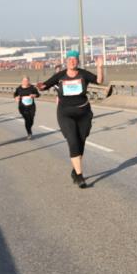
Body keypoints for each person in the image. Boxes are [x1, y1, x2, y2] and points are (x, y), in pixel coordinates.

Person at [38, 50, 104, 186]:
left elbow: (99, 81)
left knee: (81, 141)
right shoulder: (60, 76)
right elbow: (45, 85)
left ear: (77, 61)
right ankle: (79, 176)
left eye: (74, 59)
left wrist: (99, 67)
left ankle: (75, 170)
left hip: (84, 113)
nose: (72, 61)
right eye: (69, 60)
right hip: (65, 113)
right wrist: (40, 86)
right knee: (73, 141)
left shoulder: (83, 74)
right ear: (66, 62)